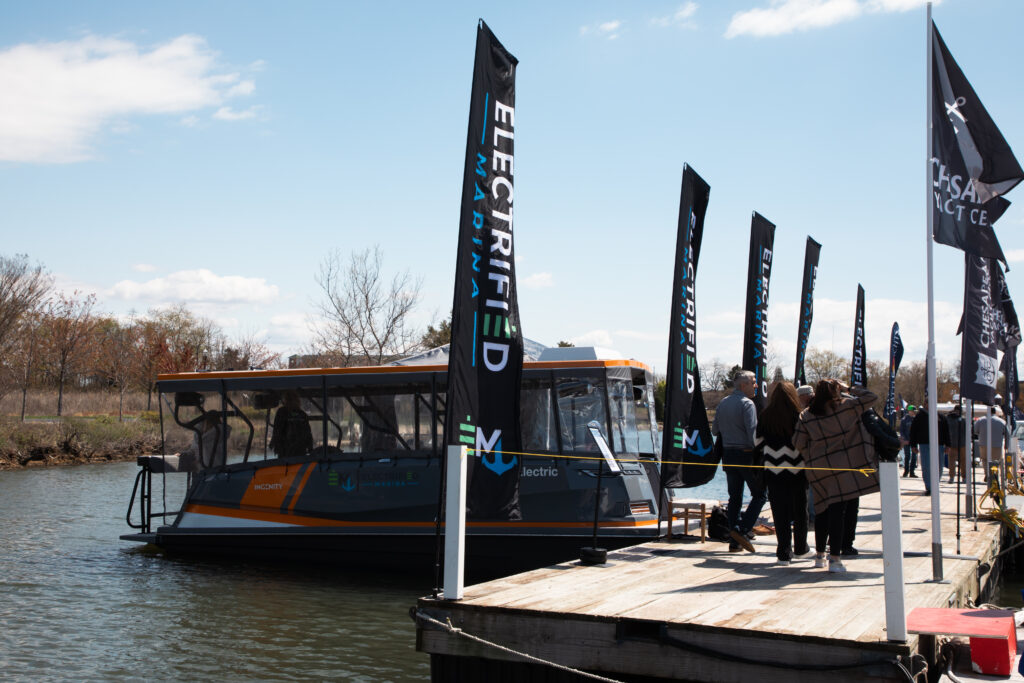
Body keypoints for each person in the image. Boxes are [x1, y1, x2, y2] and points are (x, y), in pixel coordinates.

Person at [793, 379, 879, 574]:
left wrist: (812, 455)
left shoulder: (806, 415)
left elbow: (798, 442)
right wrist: (849, 388)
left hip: (819, 469)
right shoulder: (846, 407)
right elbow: (872, 398)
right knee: (839, 513)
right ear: (836, 391)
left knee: (822, 510)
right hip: (844, 466)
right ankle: (836, 559)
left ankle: (819, 556)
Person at [712, 370, 767, 553]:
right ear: (743, 385)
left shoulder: (723, 403)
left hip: (728, 454)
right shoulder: (747, 404)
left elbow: (715, 430)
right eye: (753, 382)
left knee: (734, 497)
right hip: (746, 454)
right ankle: (742, 529)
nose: (756, 385)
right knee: (760, 494)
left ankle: (734, 542)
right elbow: (753, 435)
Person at [756, 383, 809, 563]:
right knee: (800, 509)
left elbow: (757, 443)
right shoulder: (800, 416)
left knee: (779, 511)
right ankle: (801, 548)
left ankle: (783, 552)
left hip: (773, 469)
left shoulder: (765, 416)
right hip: (798, 469)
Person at [909, 399, 949, 495]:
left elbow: (946, 431)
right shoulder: (919, 416)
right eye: (927, 403)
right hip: (924, 444)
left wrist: (948, 445)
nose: (929, 405)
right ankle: (929, 487)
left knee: (939, 466)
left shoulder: (941, 417)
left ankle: (935, 485)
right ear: (925, 404)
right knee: (926, 467)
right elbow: (913, 431)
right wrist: (913, 445)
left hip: (939, 445)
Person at [270, 391, 314, 459]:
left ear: (285, 400)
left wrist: (273, 444)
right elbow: (308, 433)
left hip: (285, 454)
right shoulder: (302, 414)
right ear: (297, 400)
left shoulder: (281, 412)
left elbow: (277, 430)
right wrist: (310, 449)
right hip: (301, 453)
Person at [974, 406, 1009, 479]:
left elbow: (975, 431)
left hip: (983, 444)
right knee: (995, 461)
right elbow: (1007, 434)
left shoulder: (980, 420)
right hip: (997, 445)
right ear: (995, 412)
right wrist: (1007, 445)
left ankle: (987, 474)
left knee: (984, 460)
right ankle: (994, 475)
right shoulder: (1001, 421)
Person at [946, 405, 967, 483]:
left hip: (952, 443)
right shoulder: (963, 420)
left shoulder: (948, 418)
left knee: (951, 461)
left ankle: (952, 477)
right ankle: (963, 477)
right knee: (963, 461)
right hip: (962, 443)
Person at [900, 406, 917, 477]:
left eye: (914, 411)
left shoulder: (916, 419)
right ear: (909, 411)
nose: (914, 412)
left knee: (914, 456)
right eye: (913, 411)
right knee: (907, 456)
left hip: (914, 441)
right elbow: (901, 431)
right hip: (907, 441)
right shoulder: (904, 420)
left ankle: (912, 472)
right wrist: (904, 439)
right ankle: (906, 471)